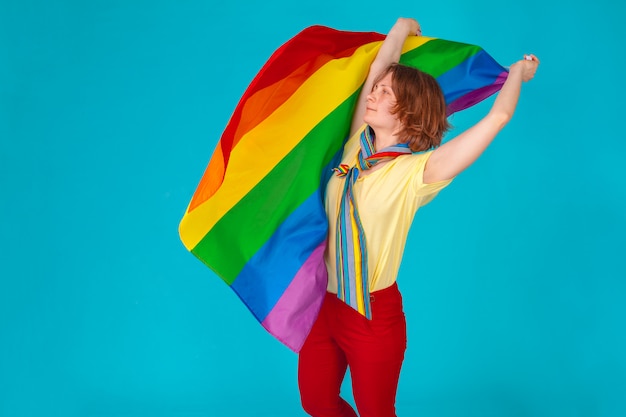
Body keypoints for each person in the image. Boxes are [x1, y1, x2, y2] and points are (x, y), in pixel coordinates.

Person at [297, 17, 540, 417]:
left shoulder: (417, 173)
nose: (372, 94)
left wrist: (516, 72)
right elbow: (379, 67)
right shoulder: (355, 146)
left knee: (377, 411)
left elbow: (497, 119)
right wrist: (400, 28)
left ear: (407, 110)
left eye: (385, 93)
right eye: (375, 91)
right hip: (324, 305)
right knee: (317, 402)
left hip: (373, 314)